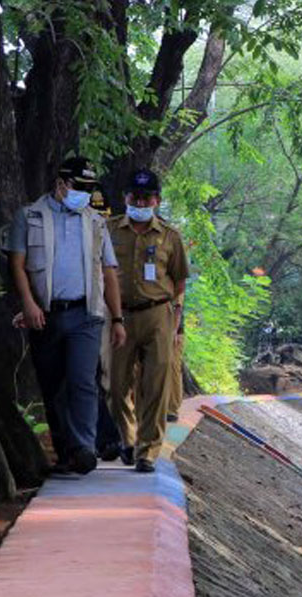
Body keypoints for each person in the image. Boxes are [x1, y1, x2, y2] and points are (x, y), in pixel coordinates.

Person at [8, 156, 126, 474]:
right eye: (80, 188)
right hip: (46, 314)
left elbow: (109, 271)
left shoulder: (95, 221)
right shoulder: (30, 216)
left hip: (85, 313)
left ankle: (84, 447)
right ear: (61, 184)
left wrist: (117, 318)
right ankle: (66, 452)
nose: (85, 195)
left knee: (83, 381)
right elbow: (17, 264)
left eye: (90, 190)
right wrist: (29, 304)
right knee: (53, 385)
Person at [108, 169, 189, 473]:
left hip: (159, 314)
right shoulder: (109, 230)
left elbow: (179, 280)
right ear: (126, 197)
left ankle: (148, 452)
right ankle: (127, 441)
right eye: (134, 196)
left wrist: (175, 317)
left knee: (156, 385)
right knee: (116, 386)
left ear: (157, 200)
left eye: (146, 197)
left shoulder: (171, 236)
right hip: (120, 316)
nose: (139, 201)